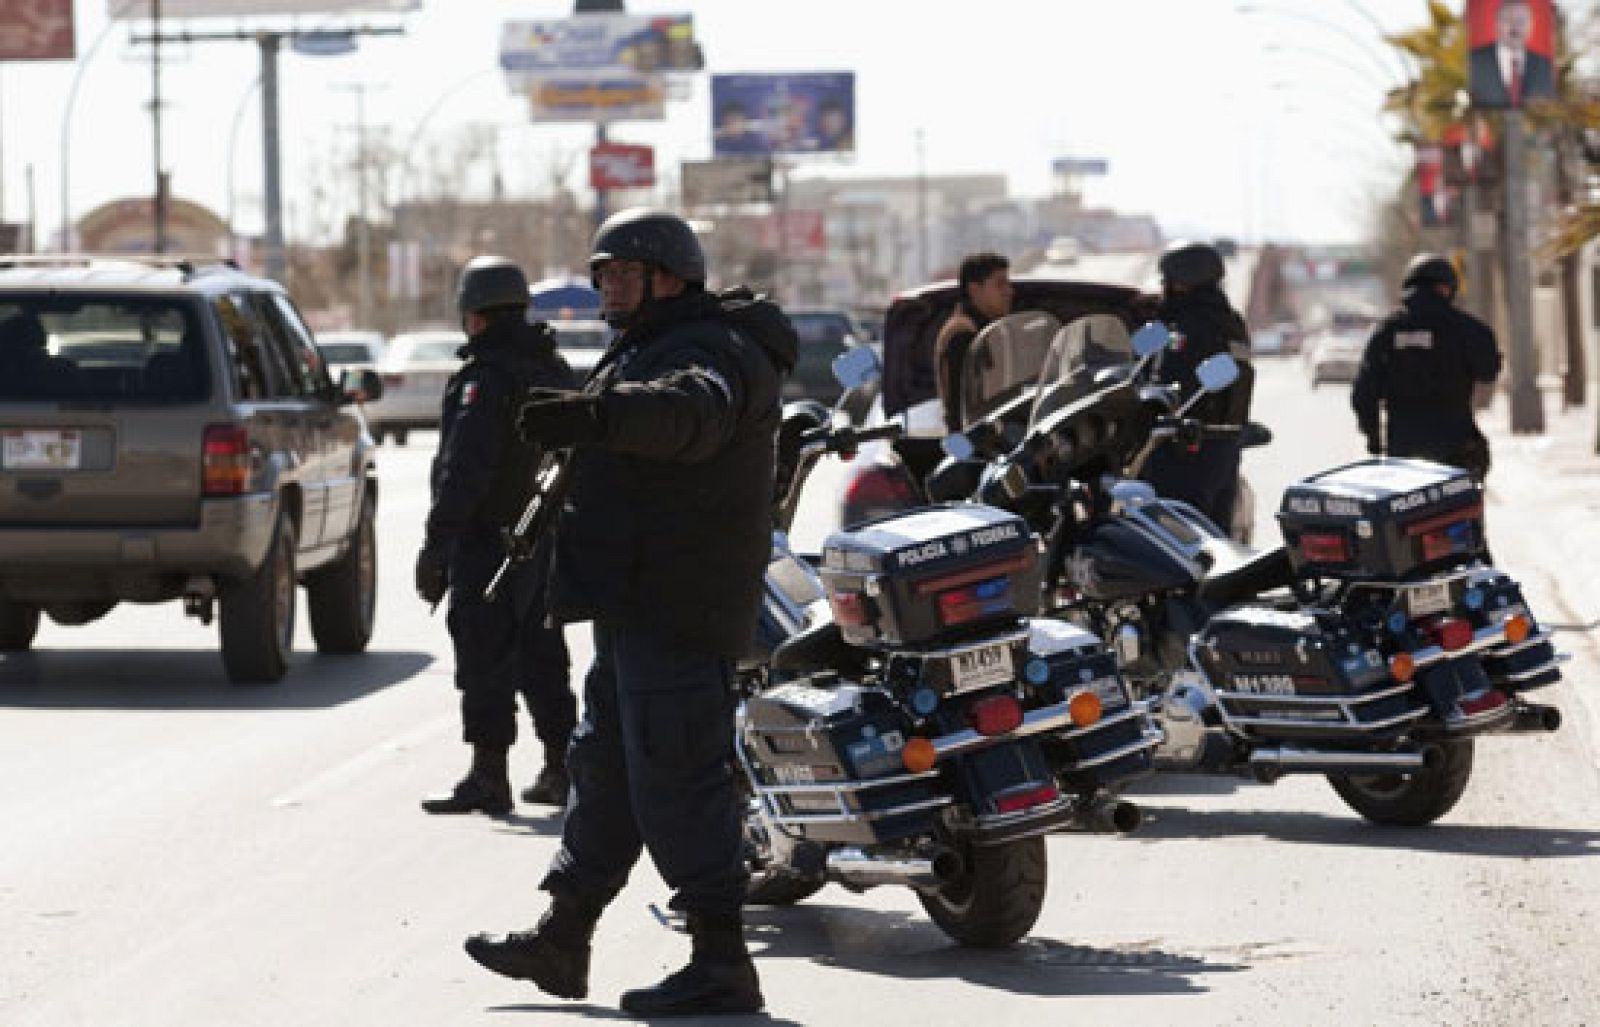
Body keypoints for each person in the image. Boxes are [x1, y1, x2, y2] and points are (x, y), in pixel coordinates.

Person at [462, 209, 795, 1017]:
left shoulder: (713, 354)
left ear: (669, 278)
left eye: (621, 272)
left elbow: (686, 413)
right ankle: (563, 935)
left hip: (679, 608)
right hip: (632, 605)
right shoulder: (645, 345)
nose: (607, 285)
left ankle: (722, 960)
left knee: (679, 776)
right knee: (603, 774)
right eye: (601, 272)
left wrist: (601, 416)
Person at [414, 257, 579, 816]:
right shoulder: (552, 369)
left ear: (473, 316)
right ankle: (562, 767)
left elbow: (466, 469)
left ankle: (489, 776)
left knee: (485, 656)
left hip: (489, 541)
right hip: (546, 537)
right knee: (542, 654)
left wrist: (437, 548)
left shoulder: (485, 378)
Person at [1139, 240, 1255, 530]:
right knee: (1217, 536)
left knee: (1176, 540)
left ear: (1181, 285)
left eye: (1167, 282)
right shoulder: (1232, 323)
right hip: (1225, 449)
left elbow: (1162, 384)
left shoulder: (1186, 328)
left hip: (1183, 452)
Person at [1352, 254, 1501, 480]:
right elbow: (1489, 371)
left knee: (1407, 513)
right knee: (1461, 509)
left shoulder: (1387, 332)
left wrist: (1374, 440)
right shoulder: (1466, 328)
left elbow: (1363, 394)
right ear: (1446, 288)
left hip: (1402, 456)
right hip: (1456, 453)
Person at [934, 252, 1013, 433]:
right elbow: (958, 408)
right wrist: (966, 453)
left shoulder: (983, 328)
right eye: (1000, 284)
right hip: (972, 442)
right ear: (975, 289)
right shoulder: (961, 333)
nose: (1009, 291)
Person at [1469, 0, 1555, 108]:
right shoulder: (1475, 61)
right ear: (1496, 23)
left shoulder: (1544, 65)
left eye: (1521, 21)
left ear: (1531, 24)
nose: (1515, 27)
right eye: (1508, 20)